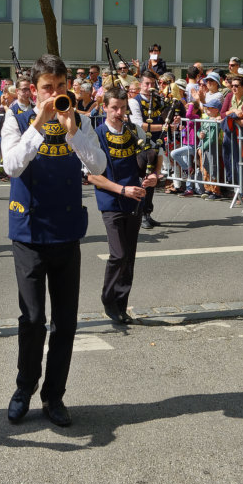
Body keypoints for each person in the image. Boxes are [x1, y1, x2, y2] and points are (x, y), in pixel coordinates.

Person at [1, 54, 107, 427]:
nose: (56, 93)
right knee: (33, 318)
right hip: (29, 231)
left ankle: (54, 394)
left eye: (61, 87)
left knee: (65, 321)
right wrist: (39, 124)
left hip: (65, 230)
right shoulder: (15, 119)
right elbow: (12, 166)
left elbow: (98, 166)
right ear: (34, 90)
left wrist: (72, 131)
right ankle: (24, 386)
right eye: (48, 88)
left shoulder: (80, 121)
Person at [86, 87, 158, 325]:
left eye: (123, 108)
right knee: (118, 254)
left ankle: (121, 306)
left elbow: (154, 154)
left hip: (134, 199)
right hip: (111, 200)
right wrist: (121, 190)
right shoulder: (96, 134)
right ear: (104, 108)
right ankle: (108, 299)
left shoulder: (134, 130)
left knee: (129, 256)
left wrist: (154, 175)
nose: (119, 112)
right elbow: (92, 176)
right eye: (114, 108)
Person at [130, 69, 168, 229]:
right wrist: (164, 127)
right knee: (143, 179)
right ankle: (139, 214)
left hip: (157, 144)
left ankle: (147, 213)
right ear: (140, 85)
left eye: (152, 83)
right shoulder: (134, 102)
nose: (150, 87)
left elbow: (166, 117)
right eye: (147, 83)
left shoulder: (158, 100)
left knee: (152, 179)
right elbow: (139, 125)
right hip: (142, 146)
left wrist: (172, 119)